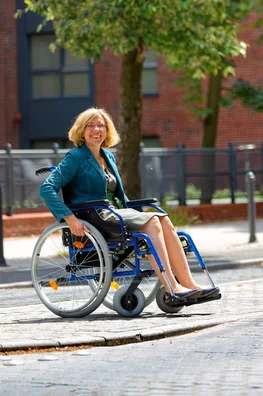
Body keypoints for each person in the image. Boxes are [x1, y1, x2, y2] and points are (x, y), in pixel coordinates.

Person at [40, 107, 217, 301]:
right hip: (93, 215)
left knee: (163, 219)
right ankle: (172, 287)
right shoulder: (75, 157)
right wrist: (70, 219)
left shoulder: (108, 157)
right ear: (81, 130)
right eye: (91, 125)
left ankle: (190, 285)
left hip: (113, 212)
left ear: (107, 131)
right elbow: (47, 188)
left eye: (101, 125)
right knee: (153, 222)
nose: (96, 129)